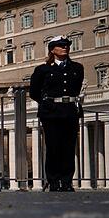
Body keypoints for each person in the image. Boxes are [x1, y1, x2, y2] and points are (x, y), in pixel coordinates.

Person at [29, 35, 84, 192]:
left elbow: (77, 88)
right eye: (60, 45)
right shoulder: (43, 70)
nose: (65, 47)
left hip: (70, 112)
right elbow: (34, 92)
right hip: (51, 113)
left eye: (66, 45)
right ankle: (54, 181)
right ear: (52, 49)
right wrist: (48, 103)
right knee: (53, 147)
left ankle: (66, 181)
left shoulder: (77, 68)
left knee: (68, 147)